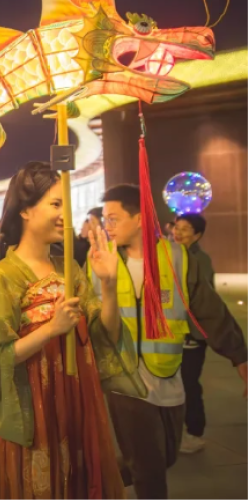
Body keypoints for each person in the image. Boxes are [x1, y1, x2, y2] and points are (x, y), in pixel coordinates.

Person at [0, 161, 127, 498]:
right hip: (33, 406)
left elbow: (105, 337)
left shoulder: (68, 268)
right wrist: (51, 329)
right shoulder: (2, 278)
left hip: (76, 398)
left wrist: (109, 286)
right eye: (55, 204)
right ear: (25, 210)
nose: (64, 215)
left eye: (66, 206)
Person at [93, 185, 247, 499]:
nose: (107, 226)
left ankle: (90, 481)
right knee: (150, 473)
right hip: (125, 382)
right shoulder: (99, 261)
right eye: (105, 219)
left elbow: (209, 308)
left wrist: (240, 356)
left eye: (113, 218)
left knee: (164, 457)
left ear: (139, 218)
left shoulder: (177, 257)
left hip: (168, 376)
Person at [171, 213, 213, 454]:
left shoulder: (200, 260)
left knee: (189, 383)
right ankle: (180, 431)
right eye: (177, 227)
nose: (178, 233)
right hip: (176, 332)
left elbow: (197, 300)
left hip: (193, 334)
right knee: (177, 383)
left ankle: (195, 433)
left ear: (197, 235)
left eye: (185, 229)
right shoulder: (175, 255)